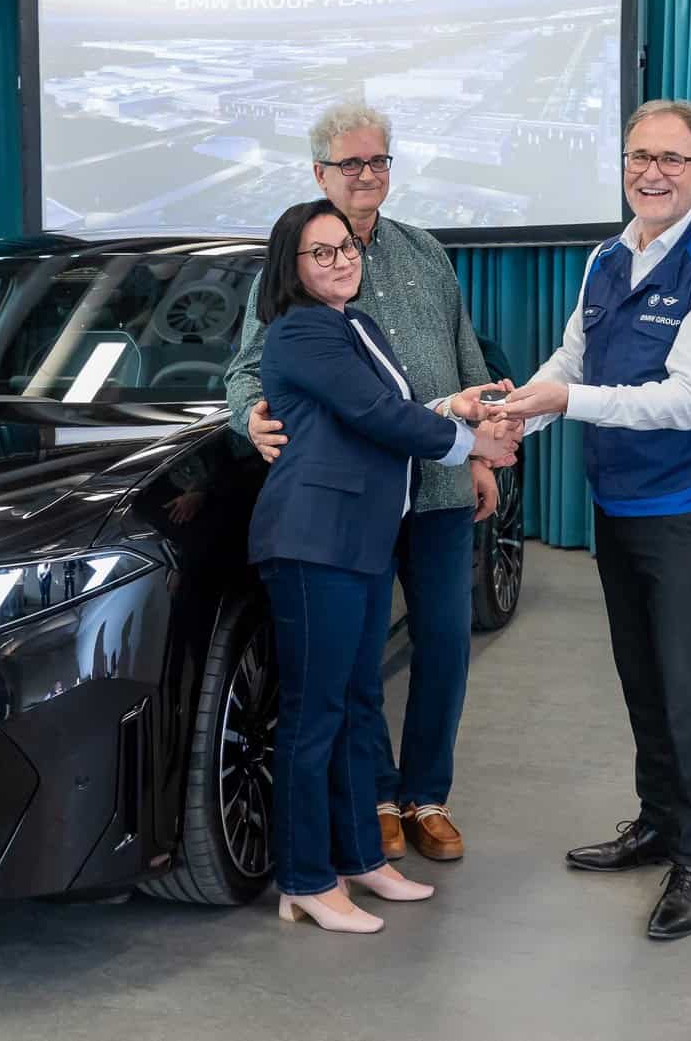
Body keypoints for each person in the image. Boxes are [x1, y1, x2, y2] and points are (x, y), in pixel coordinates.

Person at [501, 99, 691, 939]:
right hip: (615, 495)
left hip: (686, 501)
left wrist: (563, 401)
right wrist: (515, 413)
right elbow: (572, 360)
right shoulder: (605, 257)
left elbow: (686, 400)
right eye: (636, 157)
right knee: (639, 672)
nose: (650, 173)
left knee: (684, 681)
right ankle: (657, 822)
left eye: (670, 159)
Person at [227, 101, 503, 863]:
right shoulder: (297, 262)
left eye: (377, 160)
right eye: (350, 163)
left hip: (438, 489)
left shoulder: (425, 251)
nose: (366, 174)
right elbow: (247, 369)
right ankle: (374, 797)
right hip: (358, 501)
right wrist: (248, 417)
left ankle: (426, 795)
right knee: (358, 661)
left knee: (443, 644)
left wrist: (478, 459)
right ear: (319, 172)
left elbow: (465, 355)